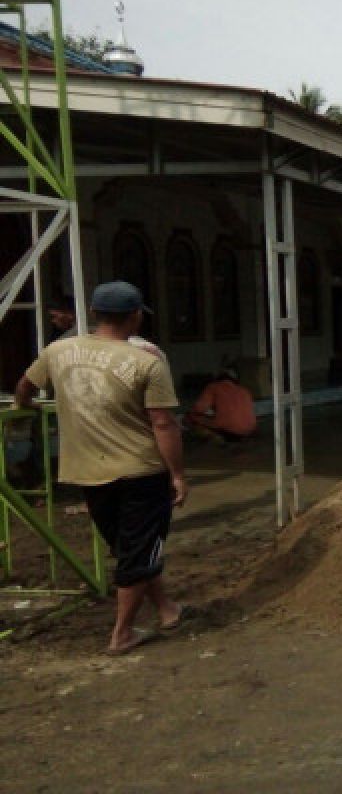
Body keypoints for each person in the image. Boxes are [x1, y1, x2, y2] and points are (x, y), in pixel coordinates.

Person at [15, 281, 188, 655]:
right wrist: (177, 474)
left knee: (130, 547)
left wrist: (25, 406)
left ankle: (166, 608)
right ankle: (122, 633)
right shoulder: (147, 361)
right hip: (141, 472)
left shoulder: (58, 350)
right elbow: (162, 422)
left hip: (87, 472)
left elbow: (24, 386)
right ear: (136, 316)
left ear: (93, 314)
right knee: (139, 550)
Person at [185, 368, 257, 443]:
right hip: (250, 429)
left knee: (191, 417)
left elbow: (199, 408)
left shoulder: (213, 387)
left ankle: (216, 441)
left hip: (229, 431)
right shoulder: (244, 390)